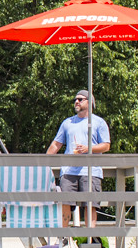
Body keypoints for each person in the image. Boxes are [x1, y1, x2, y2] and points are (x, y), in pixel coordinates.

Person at [46, 90, 109, 229]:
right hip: (69, 170)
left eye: (80, 99)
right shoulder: (67, 122)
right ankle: (63, 239)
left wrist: (88, 148)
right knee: (65, 203)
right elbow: (56, 144)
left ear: (89, 102)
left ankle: (89, 239)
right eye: (75, 99)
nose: (76, 102)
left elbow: (106, 146)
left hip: (91, 170)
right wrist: (44, 163)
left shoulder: (99, 122)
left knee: (90, 204)